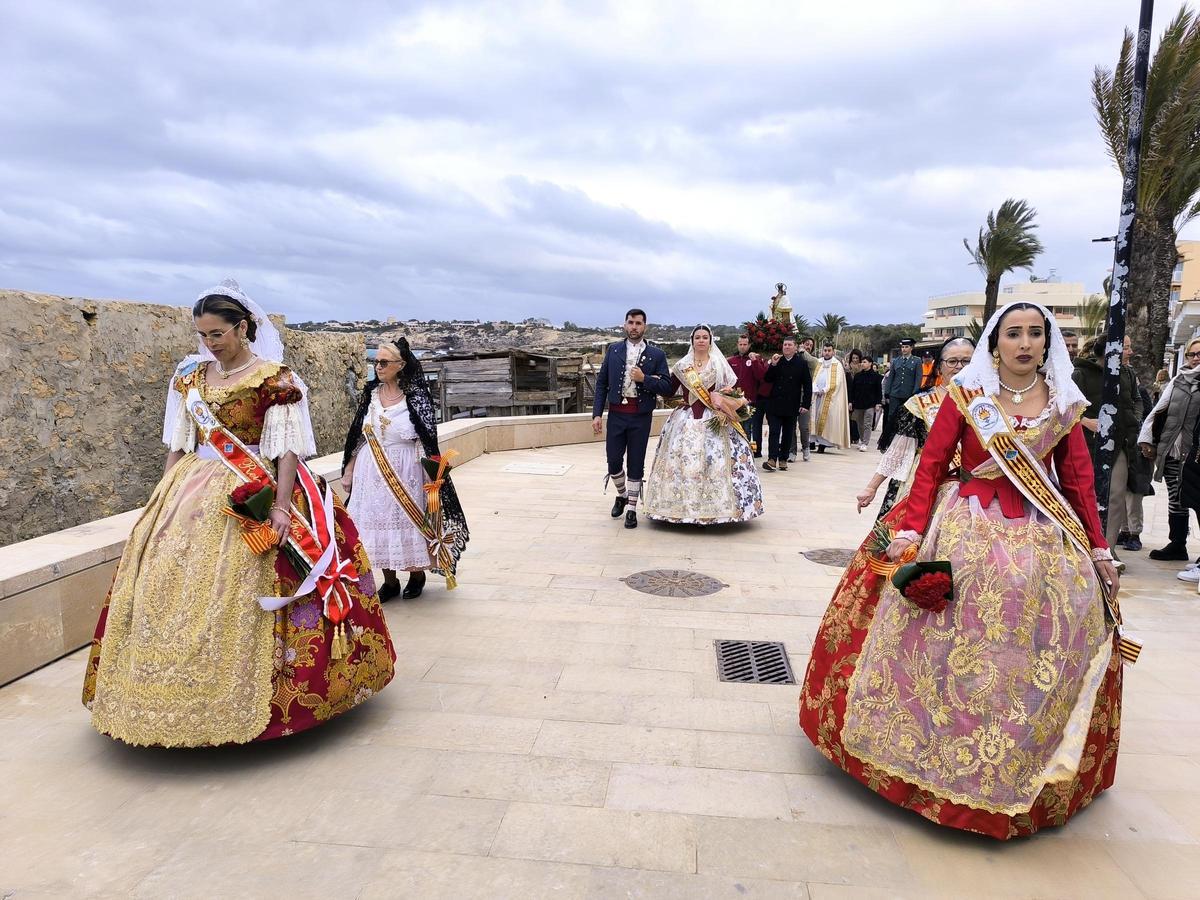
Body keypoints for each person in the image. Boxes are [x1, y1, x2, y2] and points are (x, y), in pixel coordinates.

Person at [799, 301, 1124, 839]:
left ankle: (1019, 770)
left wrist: (1097, 549)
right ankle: (926, 760)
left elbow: (1079, 482)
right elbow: (930, 463)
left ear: (1047, 343)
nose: (1024, 344)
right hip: (966, 525)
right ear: (996, 344)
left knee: (1035, 645)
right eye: (1013, 334)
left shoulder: (1065, 404)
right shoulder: (967, 396)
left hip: (1040, 534)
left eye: (1035, 335)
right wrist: (910, 530)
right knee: (944, 644)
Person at [83, 279, 395, 747]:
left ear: (243, 328)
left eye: (217, 334)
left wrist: (283, 507)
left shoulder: (276, 380)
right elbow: (181, 442)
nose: (209, 344)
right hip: (191, 489)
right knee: (167, 581)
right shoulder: (190, 378)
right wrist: (160, 496)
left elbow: (286, 449)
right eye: (202, 335)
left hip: (253, 487)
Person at [341, 338, 470, 600]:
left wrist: (430, 477)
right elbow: (359, 435)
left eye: (384, 362)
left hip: (406, 470)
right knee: (375, 523)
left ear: (401, 365)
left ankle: (416, 575)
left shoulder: (415, 397)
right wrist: (349, 469)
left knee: (407, 521)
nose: (378, 367)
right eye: (376, 362)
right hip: (371, 469)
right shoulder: (372, 394)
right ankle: (389, 581)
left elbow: (425, 438)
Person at [642, 326, 764, 524]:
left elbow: (731, 389)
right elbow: (668, 390)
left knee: (714, 462)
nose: (701, 340)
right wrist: (648, 380)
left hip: (715, 418)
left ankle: (720, 509)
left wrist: (727, 397)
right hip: (686, 419)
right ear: (692, 340)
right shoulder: (682, 365)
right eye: (697, 337)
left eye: (704, 337)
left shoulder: (718, 363)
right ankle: (679, 508)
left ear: (710, 340)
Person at [854, 338, 974, 518]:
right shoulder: (920, 404)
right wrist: (872, 487)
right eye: (952, 361)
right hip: (925, 484)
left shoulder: (991, 403)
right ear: (939, 366)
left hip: (974, 488)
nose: (960, 367)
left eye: (967, 361)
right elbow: (898, 451)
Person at [592, 309, 673, 529]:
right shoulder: (614, 350)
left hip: (640, 416)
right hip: (617, 414)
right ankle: (622, 494)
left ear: (645, 326)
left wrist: (644, 378)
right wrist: (597, 414)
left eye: (638, 323)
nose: (634, 326)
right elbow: (602, 384)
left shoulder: (657, 354)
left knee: (636, 462)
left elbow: (667, 387)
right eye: (631, 322)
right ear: (625, 325)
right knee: (613, 461)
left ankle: (632, 509)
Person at [1072, 335, 1141, 566]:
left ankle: (1108, 550)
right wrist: (1084, 421)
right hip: (1088, 445)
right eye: (1126, 348)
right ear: (1110, 351)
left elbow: (1135, 402)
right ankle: (1083, 546)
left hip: (1121, 443)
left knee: (1116, 496)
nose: (1130, 353)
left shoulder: (1128, 375)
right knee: (1086, 495)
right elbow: (1065, 407)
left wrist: (1134, 423)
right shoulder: (1080, 374)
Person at [1139, 336, 1200, 571]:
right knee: (1176, 500)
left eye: (1199, 354)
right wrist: (1148, 439)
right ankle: (1177, 544)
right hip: (1173, 450)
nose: (1195, 358)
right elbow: (1159, 410)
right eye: (1192, 354)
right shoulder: (1178, 380)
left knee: (1197, 500)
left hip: (1195, 454)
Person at [762, 337, 811, 471]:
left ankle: (783, 459)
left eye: (789, 345)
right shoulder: (778, 361)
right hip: (775, 403)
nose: (786, 347)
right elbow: (767, 378)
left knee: (788, 433)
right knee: (774, 431)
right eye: (784, 345)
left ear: (795, 348)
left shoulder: (801, 363)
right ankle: (772, 459)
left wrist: (806, 404)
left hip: (792, 404)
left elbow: (807, 385)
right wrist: (773, 365)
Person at [727, 334, 768, 457]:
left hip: (751, 401)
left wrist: (755, 361)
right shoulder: (731, 361)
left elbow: (761, 376)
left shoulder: (755, 359)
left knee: (751, 428)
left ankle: (753, 451)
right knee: (737, 428)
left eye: (745, 344)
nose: (743, 346)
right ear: (737, 344)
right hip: (734, 402)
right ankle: (738, 451)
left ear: (749, 345)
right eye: (741, 344)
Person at [879, 338, 921, 451]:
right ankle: (888, 441)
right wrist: (887, 392)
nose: (904, 349)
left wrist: (915, 392)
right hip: (895, 393)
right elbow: (891, 377)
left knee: (907, 419)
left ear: (911, 348)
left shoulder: (917, 361)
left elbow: (918, 379)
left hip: (908, 394)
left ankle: (904, 442)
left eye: (906, 347)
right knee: (891, 417)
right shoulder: (896, 361)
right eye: (902, 347)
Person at [810, 342, 852, 453]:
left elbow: (837, 382)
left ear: (833, 351)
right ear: (822, 351)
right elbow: (812, 376)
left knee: (827, 420)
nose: (827, 352)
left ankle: (823, 445)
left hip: (828, 396)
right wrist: (815, 388)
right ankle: (812, 442)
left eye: (829, 350)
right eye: (825, 350)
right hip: (815, 395)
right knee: (814, 418)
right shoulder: (817, 362)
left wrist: (824, 389)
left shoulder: (837, 365)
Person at [790, 336, 821, 462]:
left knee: (803, 426)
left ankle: (806, 447)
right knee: (791, 425)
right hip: (792, 396)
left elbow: (812, 362)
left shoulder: (813, 360)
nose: (808, 346)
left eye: (810, 345)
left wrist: (803, 351)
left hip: (805, 396)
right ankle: (791, 451)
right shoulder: (795, 358)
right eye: (805, 344)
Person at [848, 356, 883, 452]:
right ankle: (862, 439)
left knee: (867, 424)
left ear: (870, 363)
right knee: (859, 423)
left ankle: (865, 443)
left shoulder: (876, 377)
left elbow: (878, 391)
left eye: (864, 362)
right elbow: (853, 390)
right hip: (858, 403)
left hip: (870, 404)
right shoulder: (858, 376)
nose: (862, 364)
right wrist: (850, 401)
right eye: (862, 362)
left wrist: (878, 403)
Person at [844, 349, 864, 445]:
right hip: (848, 393)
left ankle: (856, 436)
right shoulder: (847, 367)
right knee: (849, 416)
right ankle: (849, 436)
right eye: (853, 358)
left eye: (857, 358)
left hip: (859, 395)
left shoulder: (862, 368)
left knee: (856, 417)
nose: (855, 360)